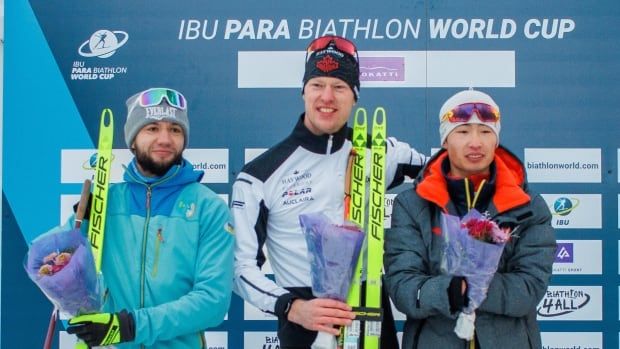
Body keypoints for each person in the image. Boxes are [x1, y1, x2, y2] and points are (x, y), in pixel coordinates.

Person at [231, 35, 427, 348]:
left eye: (339, 87)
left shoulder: (382, 153)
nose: (327, 97)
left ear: (354, 95)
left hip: (371, 309)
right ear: (303, 92)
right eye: (317, 84)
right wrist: (290, 307)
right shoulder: (260, 175)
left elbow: (449, 173)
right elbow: (239, 268)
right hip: (306, 317)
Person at [384, 89, 556, 349]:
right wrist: (449, 292)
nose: (475, 142)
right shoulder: (411, 205)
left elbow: (530, 288)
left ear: (496, 139)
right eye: (463, 132)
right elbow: (404, 287)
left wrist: (476, 286)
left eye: (486, 132)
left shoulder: (529, 206)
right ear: (445, 140)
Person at [65, 87, 235, 348]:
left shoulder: (208, 208)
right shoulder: (106, 203)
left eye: (175, 130)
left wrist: (131, 326)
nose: (165, 139)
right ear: (132, 139)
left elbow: (212, 302)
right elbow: (53, 262)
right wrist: (76, 226)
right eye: (152, 128)